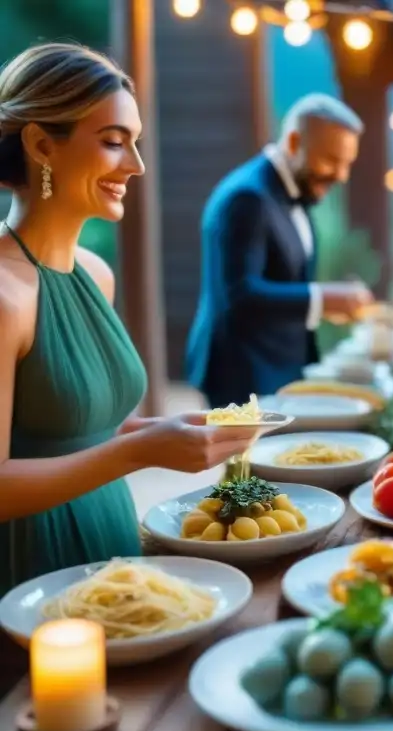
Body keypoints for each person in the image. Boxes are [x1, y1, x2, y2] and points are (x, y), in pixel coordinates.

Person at [0, 43, 258, 593]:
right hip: (34, 571)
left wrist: (152, 433)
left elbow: (71, 429)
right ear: (43, 145)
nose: (136, 166)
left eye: (135, 143)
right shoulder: (4, 297)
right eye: (114, 142)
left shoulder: (96, 275)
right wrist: (136, 451)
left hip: (109, 545)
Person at [185, 94, 373, 408]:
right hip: (244, 373)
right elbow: (240, 295)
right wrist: (324, 298)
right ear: (294, 141)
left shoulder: (298, 189)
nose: (341, 175)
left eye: (347, 163)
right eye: (330, 159)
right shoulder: (247, 197)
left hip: (280, 368)